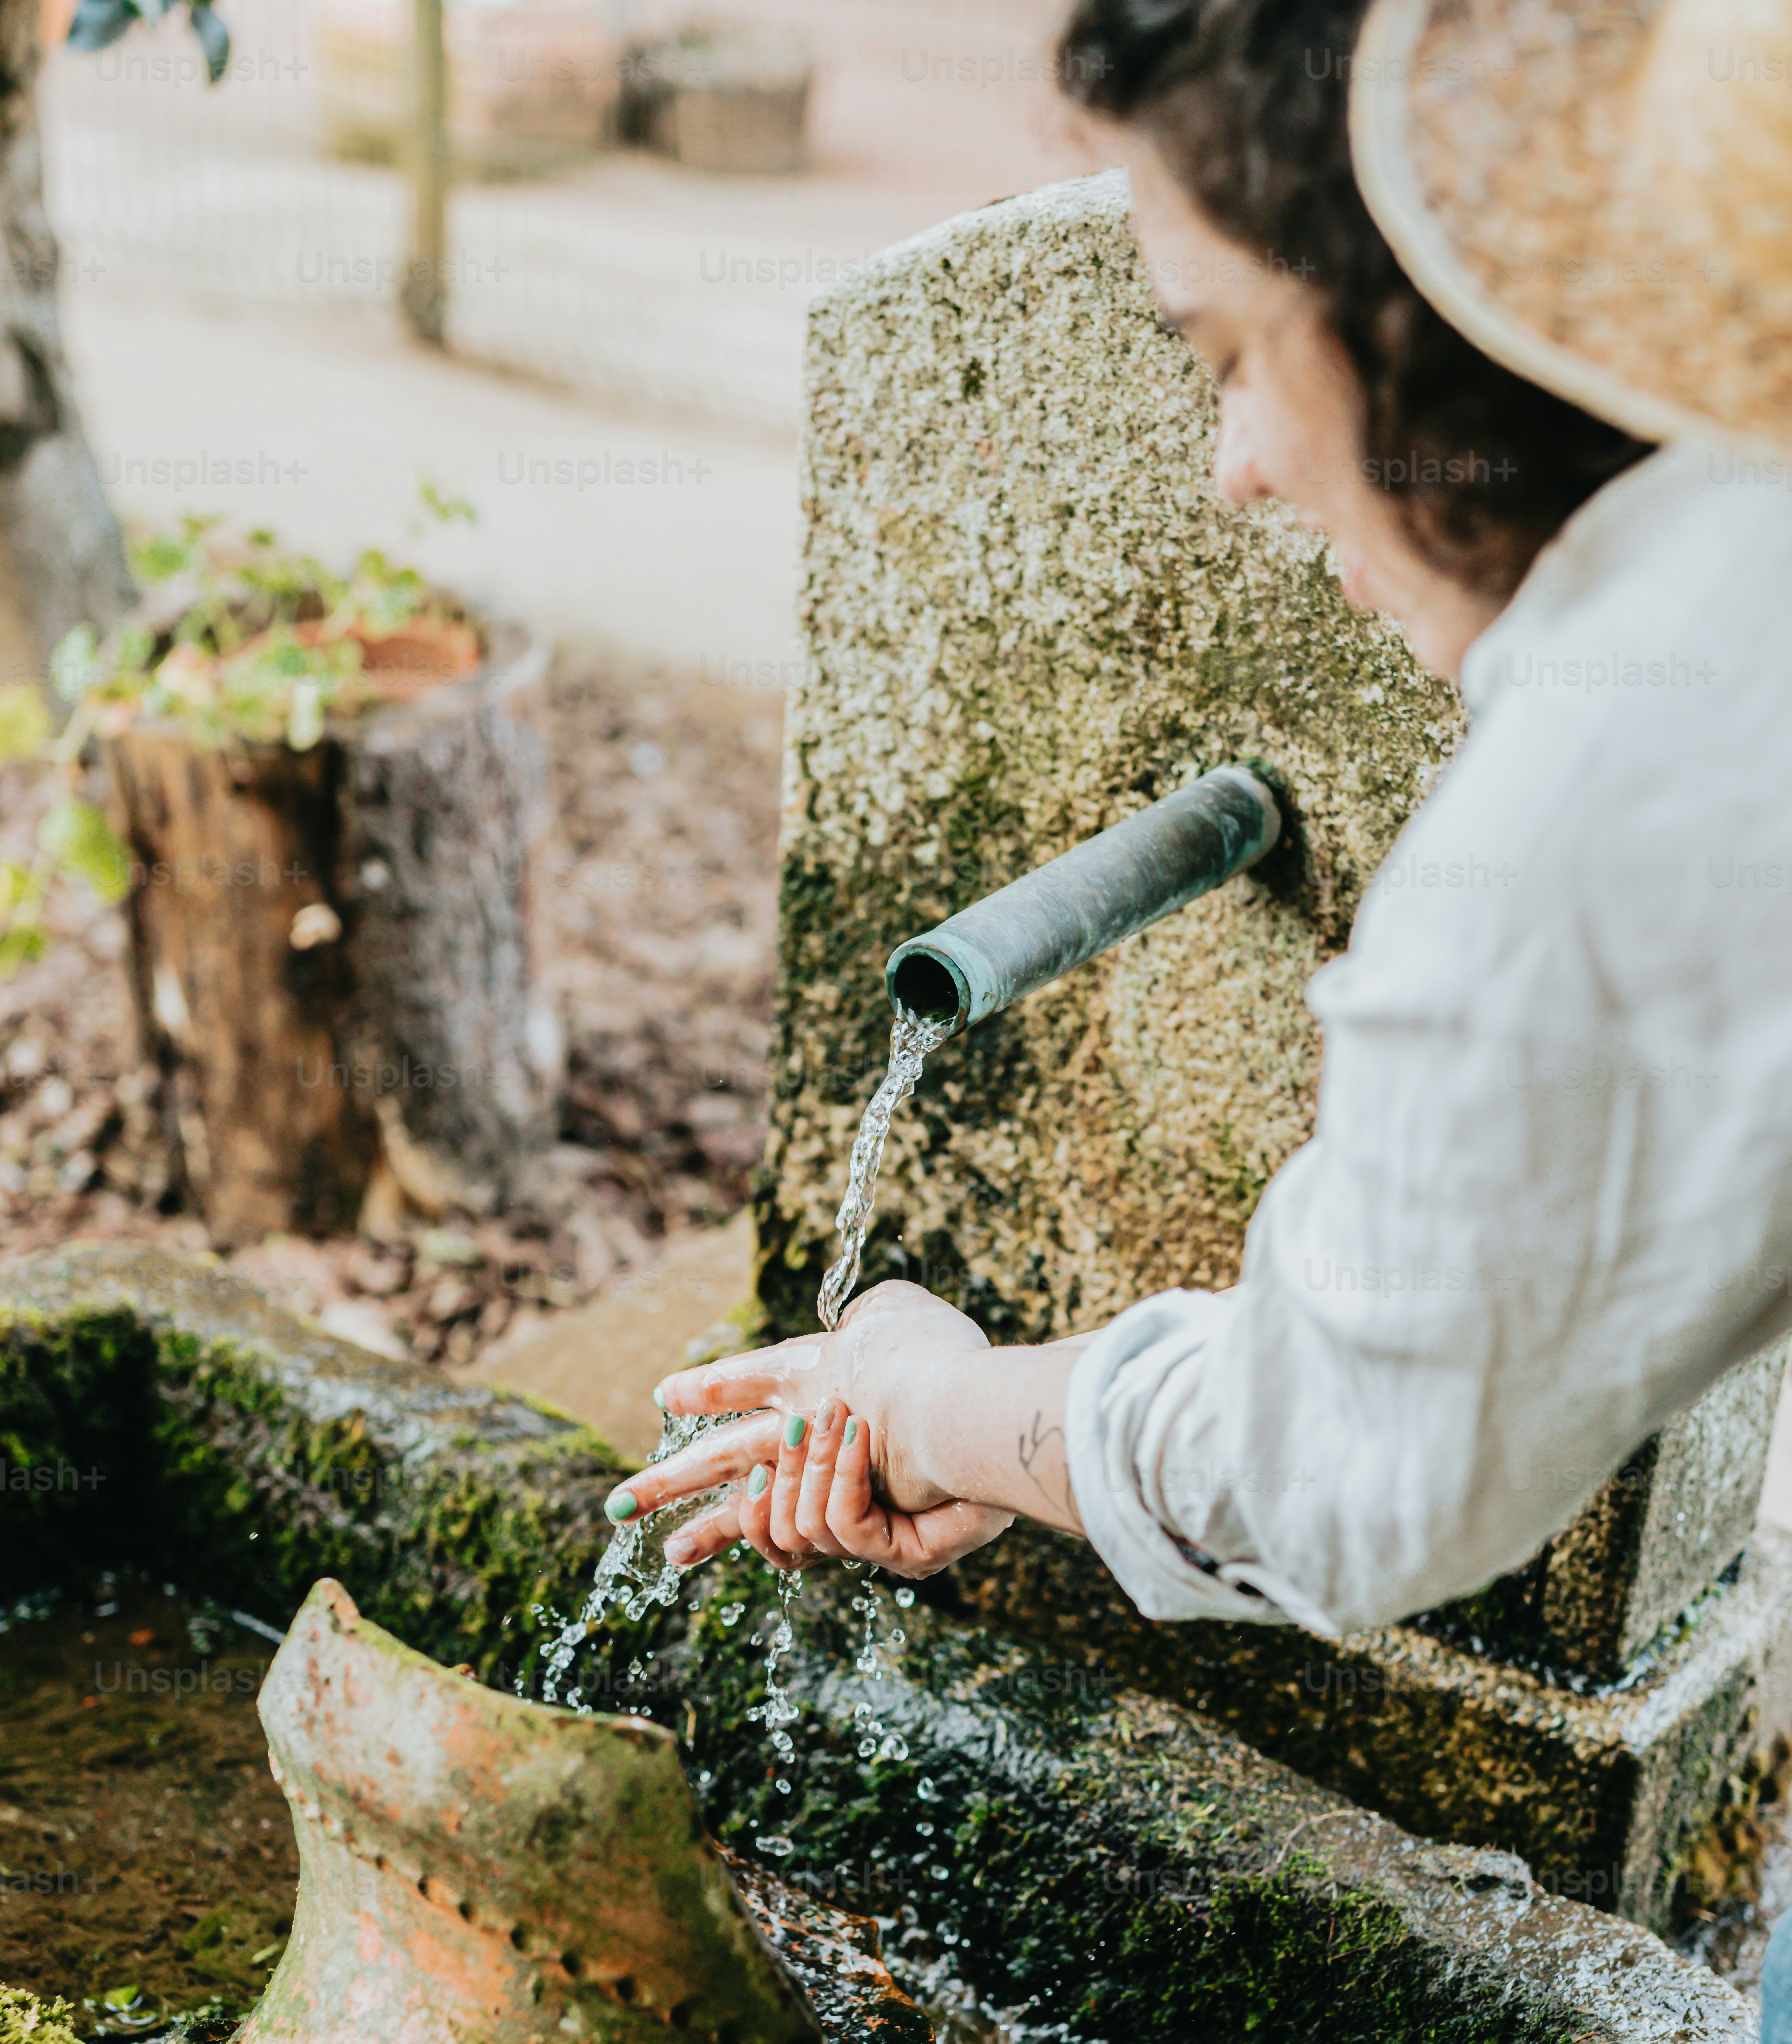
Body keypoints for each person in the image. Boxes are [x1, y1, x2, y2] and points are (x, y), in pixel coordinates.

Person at [606, 0, 1792, 1648]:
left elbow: (1341, 1469)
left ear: (1414, 321)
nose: (1233, 464)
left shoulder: (1604, 789)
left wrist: (928, 1398)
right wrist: (976, 1412)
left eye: (1228, 353)